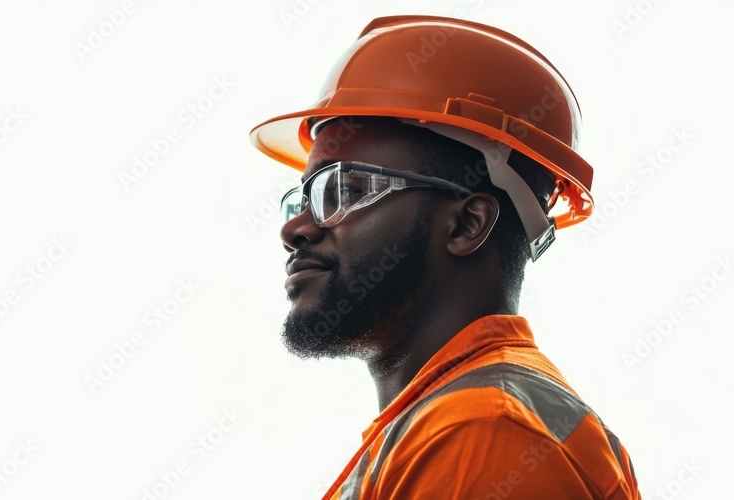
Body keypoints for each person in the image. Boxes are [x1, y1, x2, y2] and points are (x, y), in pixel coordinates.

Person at [248, 15, 641, 499]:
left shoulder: (484, 432)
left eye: (343, 189)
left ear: (467, 224)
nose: (296, 228)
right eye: (304, 196)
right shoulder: (439, 425)